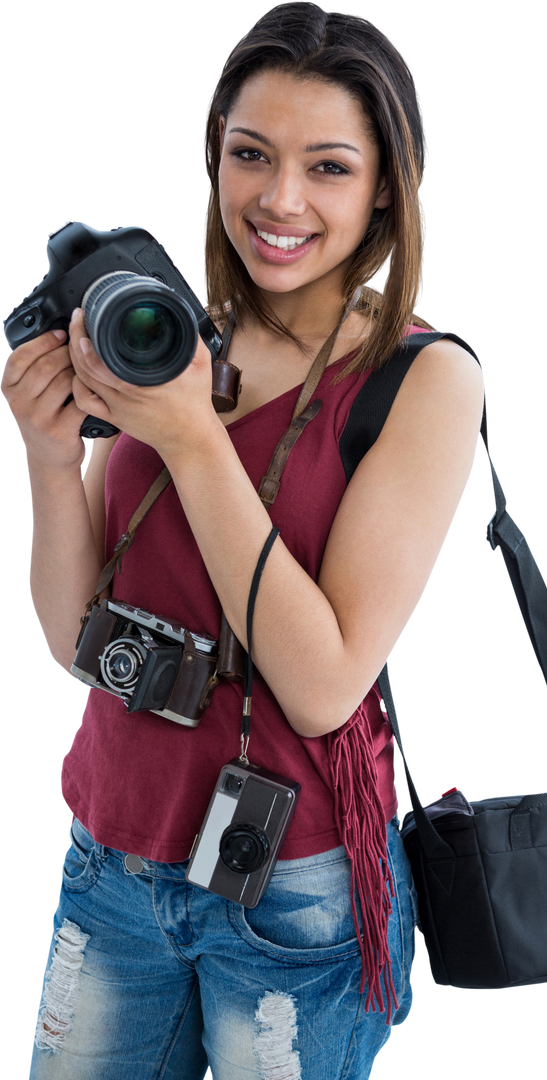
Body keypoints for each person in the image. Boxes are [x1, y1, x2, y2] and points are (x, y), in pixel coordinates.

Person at [3, 3, 485, 1077]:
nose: (279, 200)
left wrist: (189, 440)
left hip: (292, 891)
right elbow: (69, 639)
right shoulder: (168, 331)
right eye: (250, 155)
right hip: (109, 860)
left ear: (382, 192)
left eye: (327, 167)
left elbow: (322, 686)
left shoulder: (425, 381)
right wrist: (47, 454)